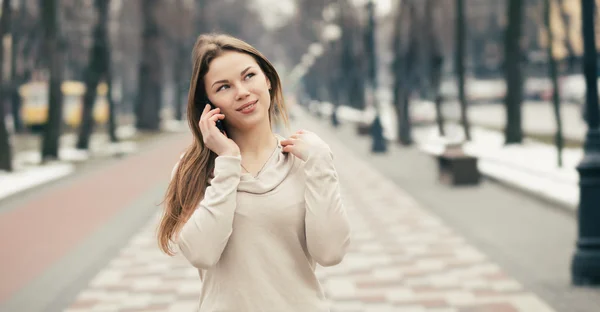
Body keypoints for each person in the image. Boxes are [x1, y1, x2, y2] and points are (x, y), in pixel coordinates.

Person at [157, 33, 351, 312]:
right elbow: (201, 253)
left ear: (268, 79)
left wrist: (321, 164)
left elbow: (331, 252)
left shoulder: (304, 160)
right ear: (209, 103)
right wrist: (228, 161)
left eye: (249, 76)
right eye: (223, 87)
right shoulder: (195, 171)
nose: (242, 92)